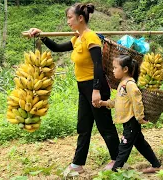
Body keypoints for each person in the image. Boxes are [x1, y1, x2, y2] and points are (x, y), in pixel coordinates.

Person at [27, 3, 119, 173]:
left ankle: (118, 160)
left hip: (95, 85)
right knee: (83, 126)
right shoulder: (78, 38)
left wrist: (96, 90)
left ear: (80, 18)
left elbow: (98, 66)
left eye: (70, 17)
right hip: (83, 87)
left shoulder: (91, 37)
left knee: (104, 125)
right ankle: (78, 164)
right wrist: (42, 36)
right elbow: (57, 48)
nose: (68, 21)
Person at [99, 54, 162, 173]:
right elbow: (119, 102)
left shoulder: (130, 85)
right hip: (128, 121)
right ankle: (156, 165)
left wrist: (139, 118)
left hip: (132, 121)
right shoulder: (122, 84)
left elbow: (137, 102)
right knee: (140, 144)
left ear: (125, 69)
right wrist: (104, 103)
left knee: (124, 146)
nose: (113, 71)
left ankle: (115, 170)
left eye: (115, 68)